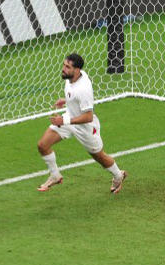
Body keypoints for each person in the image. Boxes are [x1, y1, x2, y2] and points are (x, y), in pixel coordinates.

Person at [37, 53, 127, 193]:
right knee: (42, 145)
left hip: (85, 128)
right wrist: (66, 100)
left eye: (67, 67)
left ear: (77, 70)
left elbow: (88, 116)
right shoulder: (72, 78)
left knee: (100, 157)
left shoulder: (83, 89)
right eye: (64, 65)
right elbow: (74, 95)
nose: (63, 69)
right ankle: (55, 175)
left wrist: (64, 120)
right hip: (69, 119)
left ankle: (118, 175)